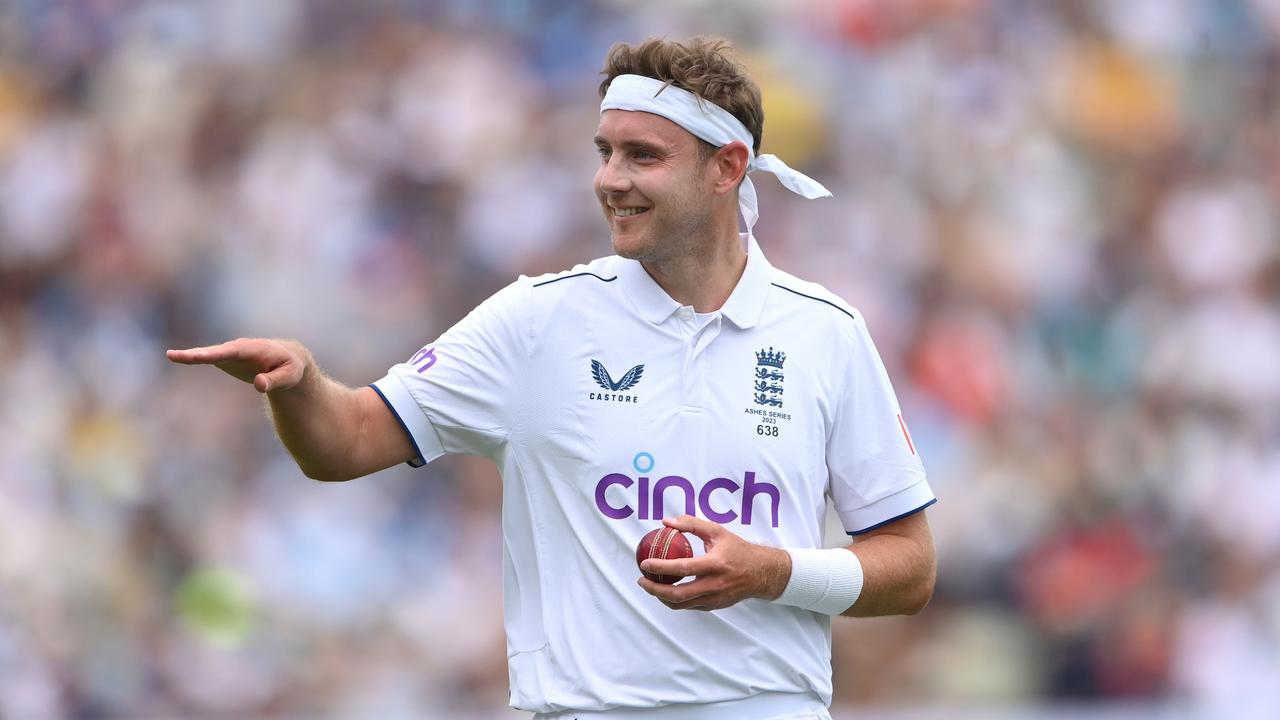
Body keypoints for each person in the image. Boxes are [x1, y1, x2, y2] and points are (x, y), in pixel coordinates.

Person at [168, 36, 937, 720]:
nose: (609, 179)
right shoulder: (535, 320)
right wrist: (303, 385)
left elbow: (909, 567)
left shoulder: (826, 333)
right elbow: (345, 443)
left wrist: (772, 572)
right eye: (605, 151)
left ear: (726, 168)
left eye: (643, 156)